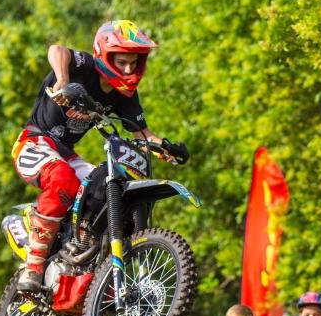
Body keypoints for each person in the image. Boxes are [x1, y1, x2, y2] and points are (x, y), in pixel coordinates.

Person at [10, 20, 188, 294]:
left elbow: (141, 132)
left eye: (133, 63)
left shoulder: (124, 96)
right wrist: (62, 80)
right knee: (61, 178)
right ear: (106, 56)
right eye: (122, 62)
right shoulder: (85, 66)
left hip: (67, 154)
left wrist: (164, 147)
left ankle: (84, 247)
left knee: (107, 184)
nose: (128, 69)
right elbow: (57, 49)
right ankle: (33, 265)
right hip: (34, 142)